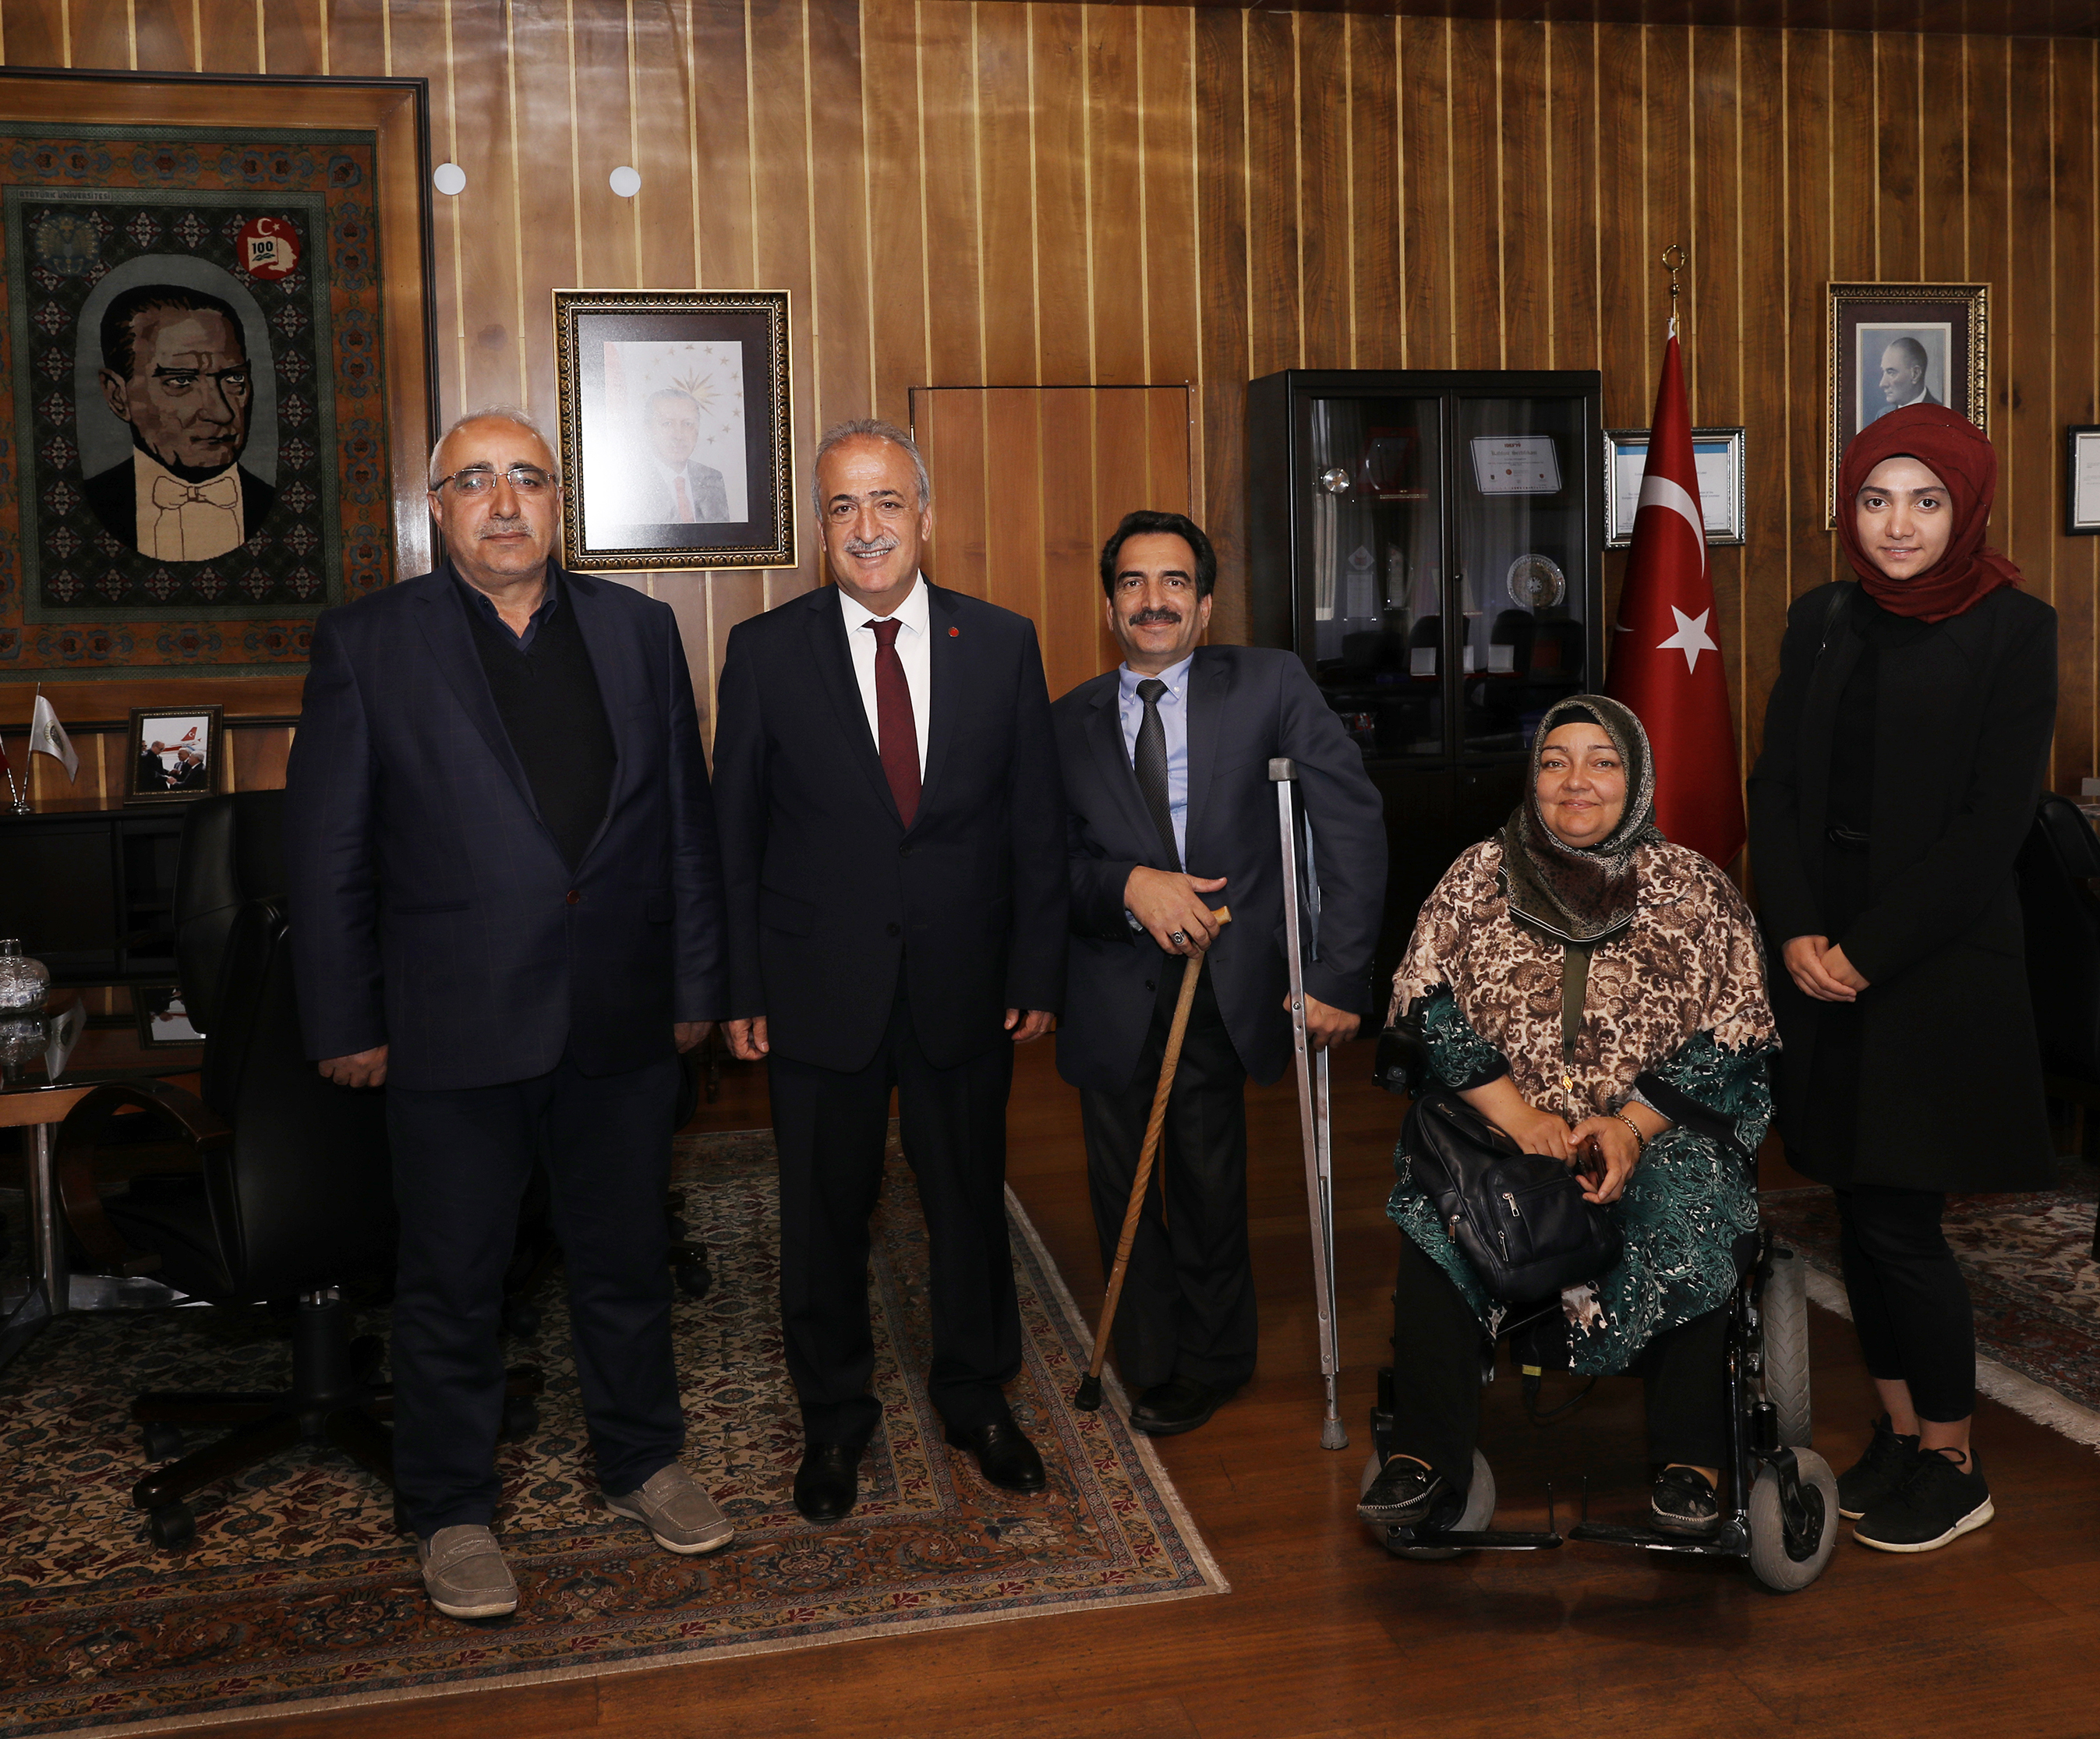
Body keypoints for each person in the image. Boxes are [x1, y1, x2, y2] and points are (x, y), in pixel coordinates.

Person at [288, 408, 734, 1621]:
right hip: (453, 1025)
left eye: (526, 478)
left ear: (557, 503)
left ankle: (641, 1457)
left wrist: (697, 985)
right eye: (474, 480)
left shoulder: (639, 630)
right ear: (436, 508)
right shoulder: (369, 643)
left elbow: (684, 824)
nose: (502, 500)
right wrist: (344, 1016)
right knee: (453, 1280)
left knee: (625, 1261)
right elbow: (327, 854)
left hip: (618, 1017)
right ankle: (451, 1507)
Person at [714, 417, 1067, 1523]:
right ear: (819, 530)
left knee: (967, 1201)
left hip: (966, 980)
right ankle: (833, 1417)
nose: (865, 526)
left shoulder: (1001, 641)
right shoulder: (763, 652)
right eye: (841, 506)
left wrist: (1036, 966)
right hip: (816, 984)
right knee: (823, 1215)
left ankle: (978, 1398)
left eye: (884, 501)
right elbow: (734, 837)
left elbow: (1035, 823)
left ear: (925, 514)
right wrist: (739, 987)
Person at [1746, 402, 2057, 1553]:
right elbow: (1776, 785)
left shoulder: (2016, 629)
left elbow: (1990, 826)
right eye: (1876, 499)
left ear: (1964, 508)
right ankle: (1896, 1430)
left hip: (1929, 966)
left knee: (1899, 1218)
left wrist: (1865, 950)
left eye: (1925, 501)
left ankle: (1953, 1460)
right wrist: (1793, 930)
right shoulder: (1821, 617)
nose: (1897, 524)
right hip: (1816, 958)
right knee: (1852, 1203)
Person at [1356, 695, 1777, 1539]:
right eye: (1555, 761)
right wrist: (1518, 1115)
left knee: (1687, 1200)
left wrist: (1628, 1126)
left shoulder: (1696, 887)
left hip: (1656, 1130)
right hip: (1499, 1122)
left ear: (1636, 778)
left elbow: (1736, 1033)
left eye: (1602, 761)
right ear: (1533, 777)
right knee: (1442, 1210)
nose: (1576, 780)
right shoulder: (1477, 874)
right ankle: (1425, 1453)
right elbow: (1422, 1003)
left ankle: (1689, 1464)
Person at [1052, 510, 1384, 1436]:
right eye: (1132, 583)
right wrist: (1130, 885)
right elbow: (1045, 866)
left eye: (1174, 582)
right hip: (1111, 976)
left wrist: (1341, 973)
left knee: (1205, 1175)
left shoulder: (1270, 682)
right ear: (1110, 606)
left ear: (1204, 605)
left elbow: (1350, 822)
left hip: (1226, 977)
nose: (1152, 600)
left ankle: (1210, 1358)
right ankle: (1147, 1351)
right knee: (1120, 1180)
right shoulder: (1066, 721)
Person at [83, 285, 274, 560]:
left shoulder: (282, 507)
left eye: (234, 379)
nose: (221, 413)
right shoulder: (88, 507)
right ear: (118, 396)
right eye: (181, 381)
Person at [636, 388, 730, 523]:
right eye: (667, 424)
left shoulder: (712, 478)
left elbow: (724, 534)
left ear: (698, 429)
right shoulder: (633, 481)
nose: (679, 435)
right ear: (648, 430)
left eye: (688, 424)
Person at [1876, 336, 1940, 415]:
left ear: (1915, 374)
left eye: (1891, 373)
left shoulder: (1942, 414)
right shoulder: (1882, 415)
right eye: (1883, 372)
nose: (1882, 384)